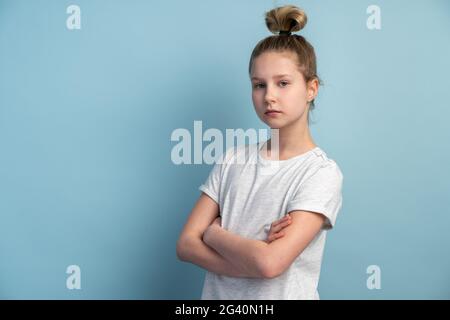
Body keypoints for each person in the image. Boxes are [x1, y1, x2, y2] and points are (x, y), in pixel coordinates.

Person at [176, 4, 343, 300]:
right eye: (258, 85)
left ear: (311, 89)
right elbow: (186, 244)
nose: (269, 96)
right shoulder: (233, 160)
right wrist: (248, 261)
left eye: (283, 83)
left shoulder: (320, 173)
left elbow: (269, 263)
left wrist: (214, 234)